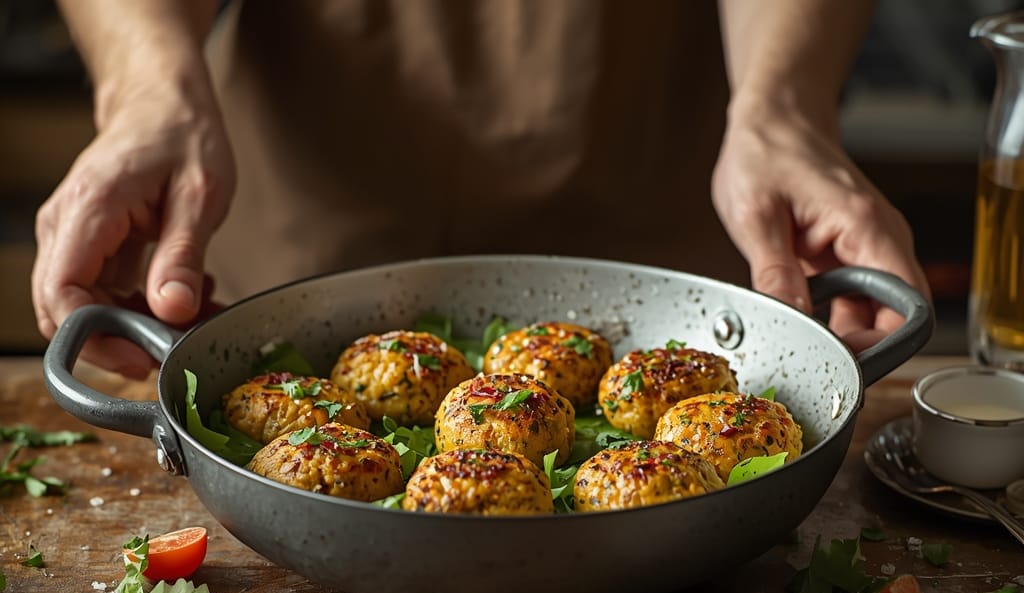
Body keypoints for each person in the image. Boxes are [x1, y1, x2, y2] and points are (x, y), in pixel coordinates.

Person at [31, 0, 931, 380]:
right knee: (264, 369)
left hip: (666, 244)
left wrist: (786, 112)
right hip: (298, 235)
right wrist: (149, 90)